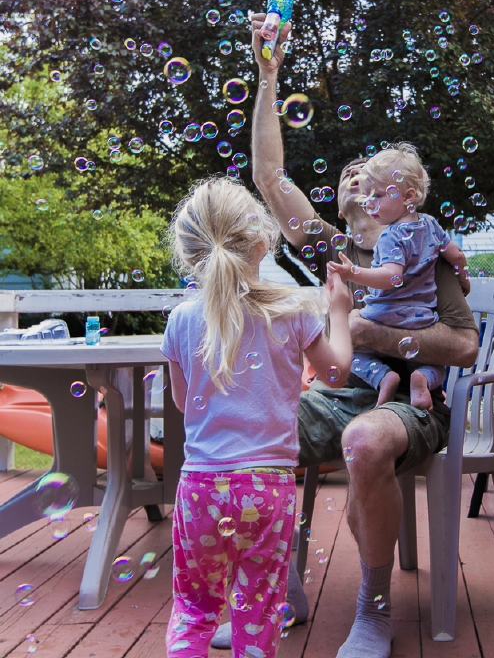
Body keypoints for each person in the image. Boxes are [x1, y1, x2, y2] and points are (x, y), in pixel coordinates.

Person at [245, 11, 479, 658]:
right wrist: (267, 76)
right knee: (249, 428)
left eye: (366, 173)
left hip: (411, 400)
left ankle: (374, 611)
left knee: (364, 440)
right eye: (347, 173)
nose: (354, 176)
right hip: (339, 391)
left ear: (388, 195)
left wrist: (366, 329)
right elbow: (269, 177)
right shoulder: (334, 247)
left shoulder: (422, 253)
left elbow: (465, 347)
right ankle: (279, 586)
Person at [161, 176, 353, 658]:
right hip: (267, 488)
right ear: (262, 243)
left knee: (194, 609)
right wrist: (340, 311)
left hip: (200, 488)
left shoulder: (181, 320)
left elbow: (184, 403)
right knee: (259, 611)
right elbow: (335, 374)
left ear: (188, 254)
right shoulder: (292, 310)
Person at [327, 142, 470, 411]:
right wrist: (464, 280)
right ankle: (421, 378)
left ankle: (382, 377)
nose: (369, 204)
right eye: (367, 198)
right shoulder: (431, 224)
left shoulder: (389, 236)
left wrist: (352, 272)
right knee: (436, 365)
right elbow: (458, 256)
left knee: (349, 348)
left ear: (408, 197)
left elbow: (391, 277)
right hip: (422, 318)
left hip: (383, 314)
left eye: (377, 196)